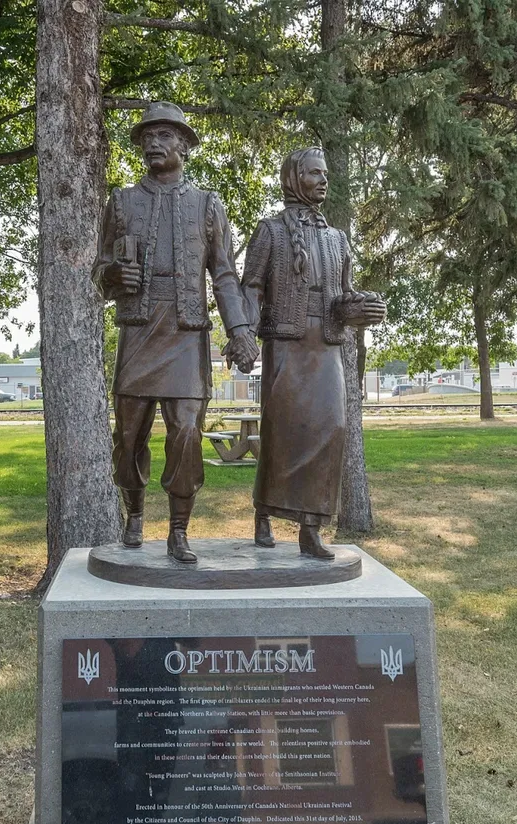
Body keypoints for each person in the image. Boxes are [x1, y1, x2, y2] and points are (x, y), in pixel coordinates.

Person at [94, 102, 258, 563]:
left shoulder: (207, 204)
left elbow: (225, 275)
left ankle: (179, 530)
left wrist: (240, 328)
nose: (153, 143)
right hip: (140, 330)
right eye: (147, 137)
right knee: (128, 437)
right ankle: (134, 512)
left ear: (184, 145)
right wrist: (111, 278)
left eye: (164, 135)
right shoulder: (122, 202)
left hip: (186, 331)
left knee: (186, 431)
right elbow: (99, 268)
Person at [229, 147, 384, 558]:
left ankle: (311, 528)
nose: (323, 180)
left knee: (331, 428)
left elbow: (344, 294)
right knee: (282, 432)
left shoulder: (337, 238)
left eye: (326, 173)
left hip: (326, 343)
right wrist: (241, 331)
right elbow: (250, 287)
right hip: (286, 341)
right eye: (315, 172)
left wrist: (361, 308)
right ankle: (264, 510)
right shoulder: (271, 231)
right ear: (295, 178)